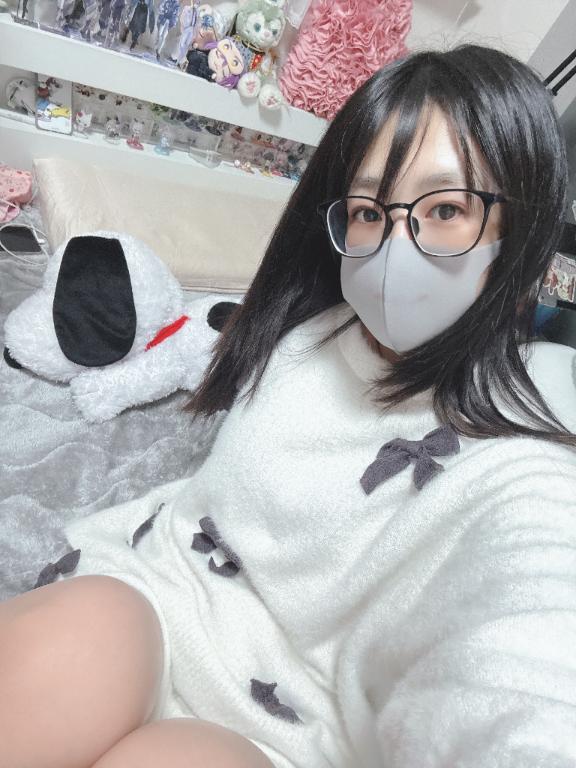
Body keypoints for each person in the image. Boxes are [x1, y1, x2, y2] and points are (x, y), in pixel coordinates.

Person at [1, 42, 576, 768]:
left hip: (301, 726)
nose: (393, 247)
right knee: (84, 626)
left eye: (445, 209)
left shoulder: (524, 453)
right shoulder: (309, 329)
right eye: (367, 210)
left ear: (520, 232)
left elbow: (531, 649)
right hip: (169, 590)